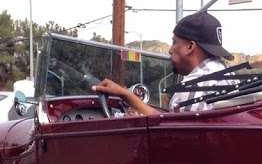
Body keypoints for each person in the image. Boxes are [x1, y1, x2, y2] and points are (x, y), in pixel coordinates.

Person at [92, 11, 233, 115]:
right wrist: (126, 95)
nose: (171, 50)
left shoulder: (192, 88)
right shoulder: (226, 75)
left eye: (174, 42)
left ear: (190, 46)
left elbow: (174, 137)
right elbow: (169, 121)